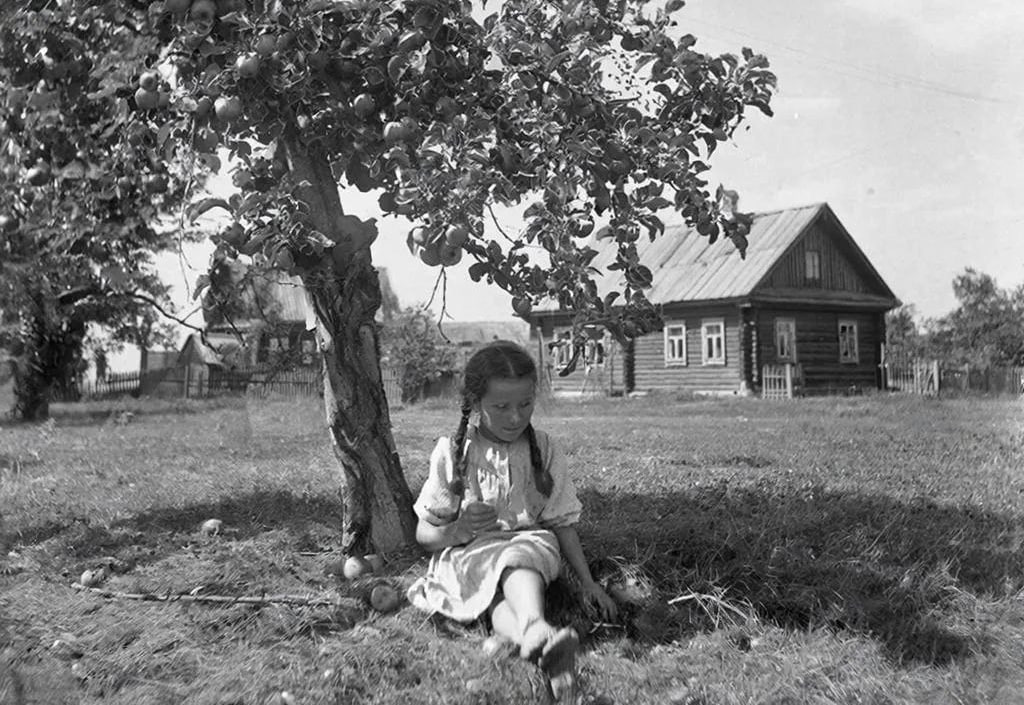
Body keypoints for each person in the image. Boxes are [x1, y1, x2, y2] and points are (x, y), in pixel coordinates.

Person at [406, 339, 617, 700]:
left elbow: (562, 522)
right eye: (501, 407)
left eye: (525, 404)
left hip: (529, 548)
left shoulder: (545, 449)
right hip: (469, 554)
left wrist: (588, 582)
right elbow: (424, 533)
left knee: (516, 559)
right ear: (474, 404)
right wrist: (458, 530)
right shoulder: (454, 452)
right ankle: (534, 640)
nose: (516, 417)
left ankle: (534, 628)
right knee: (491, 602)